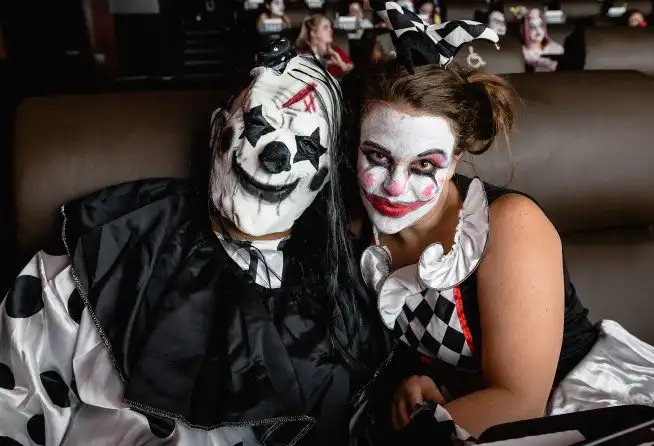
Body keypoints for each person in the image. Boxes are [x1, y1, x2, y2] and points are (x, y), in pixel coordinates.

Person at [0, 38, 388, 446]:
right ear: (218, 130)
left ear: (325, 175)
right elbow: (14, 402)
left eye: (307, 145)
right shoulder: (110, 251)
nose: (276, 155)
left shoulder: (353, 290)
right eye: (258, 124)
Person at [348, 2, 654, 444]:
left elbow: (519, 403)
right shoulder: (353, 231)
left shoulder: (508, 226)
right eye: (378, 157)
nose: (395, 187)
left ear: (455, 160)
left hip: (587, 409)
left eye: (424, 165)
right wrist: (416, 386)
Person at [296, 14, 355, 78]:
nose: (331, 30)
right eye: (325, 27)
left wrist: (341, 63)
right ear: (313, 33)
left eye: (330, 27)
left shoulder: (330, 54)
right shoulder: (302, 57)